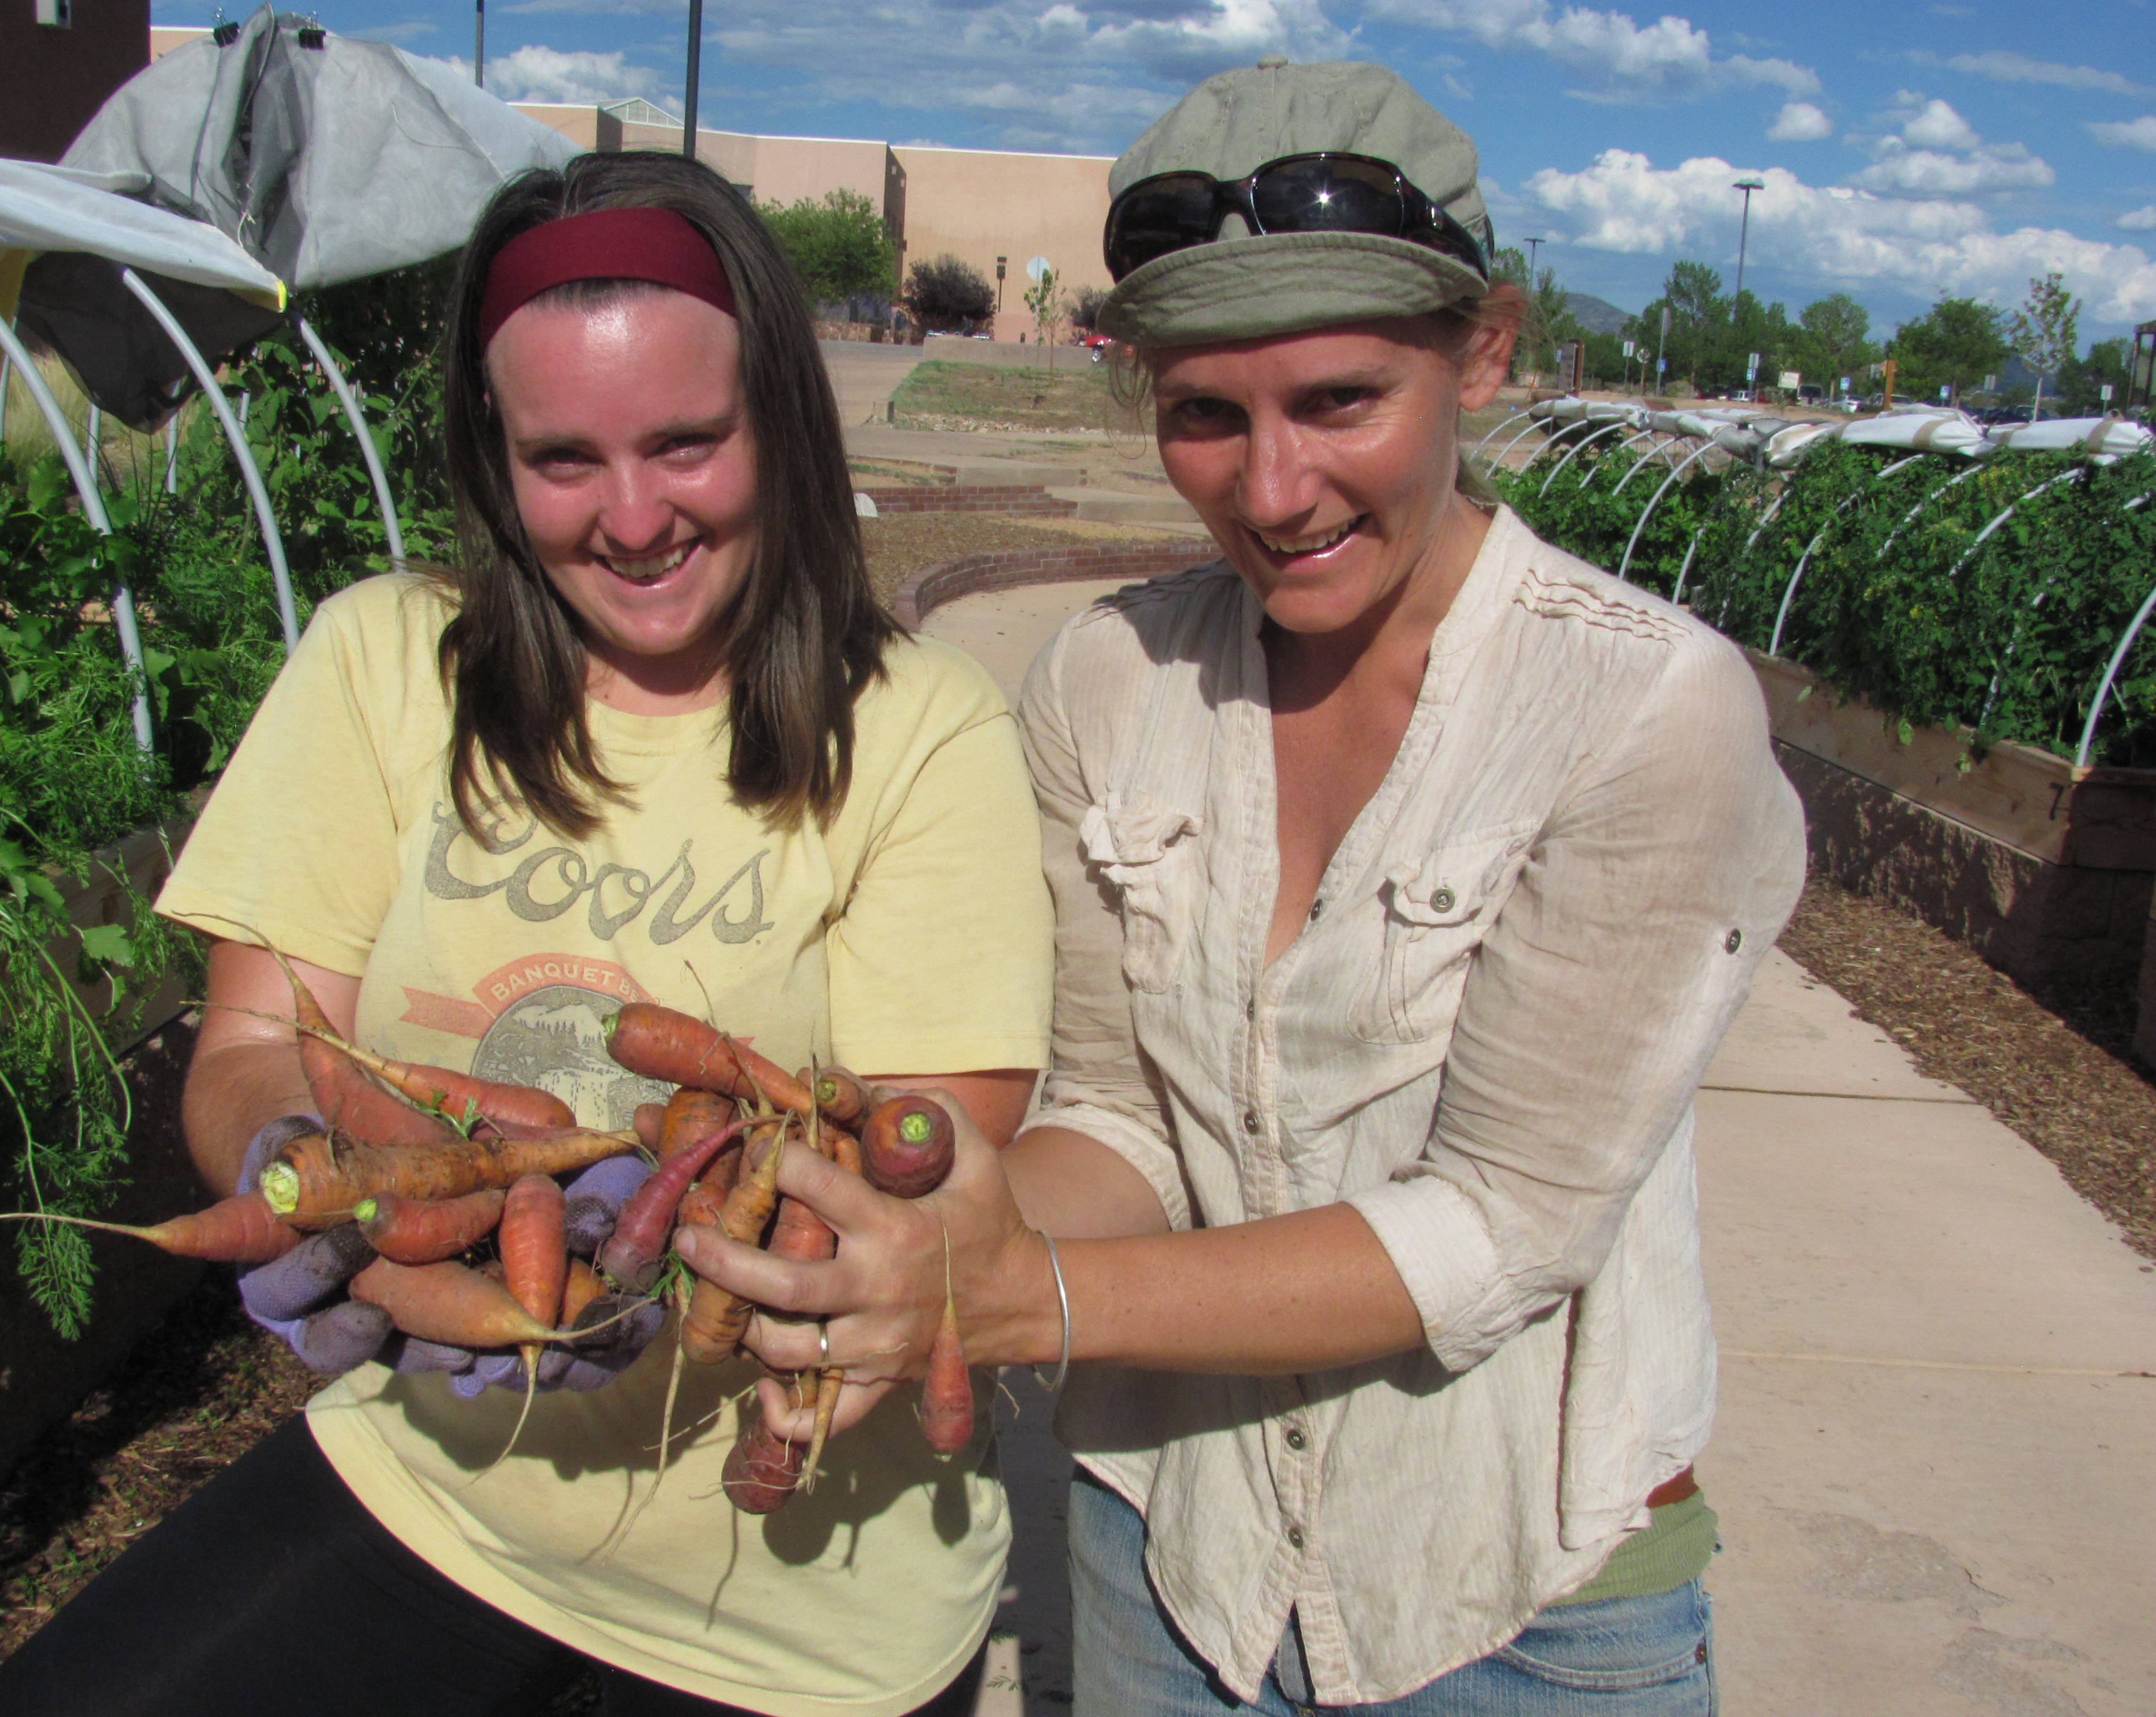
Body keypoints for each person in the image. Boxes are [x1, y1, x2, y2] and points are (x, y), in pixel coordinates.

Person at [681, 60, 1806, 1714]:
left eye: (1341, 401)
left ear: (1484, 353)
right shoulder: (1110, 682)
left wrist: (1026, 1296)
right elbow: (1121, 1119)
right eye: (1205, 413)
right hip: (1168, 1554)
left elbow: (1503, 1226)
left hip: (1514, 1608)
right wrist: (924, 1243)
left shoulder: (1640, 708)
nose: (1271, 492)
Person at [0, 151, 1052, 1717]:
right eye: (563, 458)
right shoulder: (386, 664)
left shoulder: (920, 729)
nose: (633, 518)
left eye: (687, 443)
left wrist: (658, 1236)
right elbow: (256, 1044)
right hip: (433, 1486)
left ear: (781, 427)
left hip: (796, 1594)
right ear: (493, 451)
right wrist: (328, 1190)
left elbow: (921, 1171)